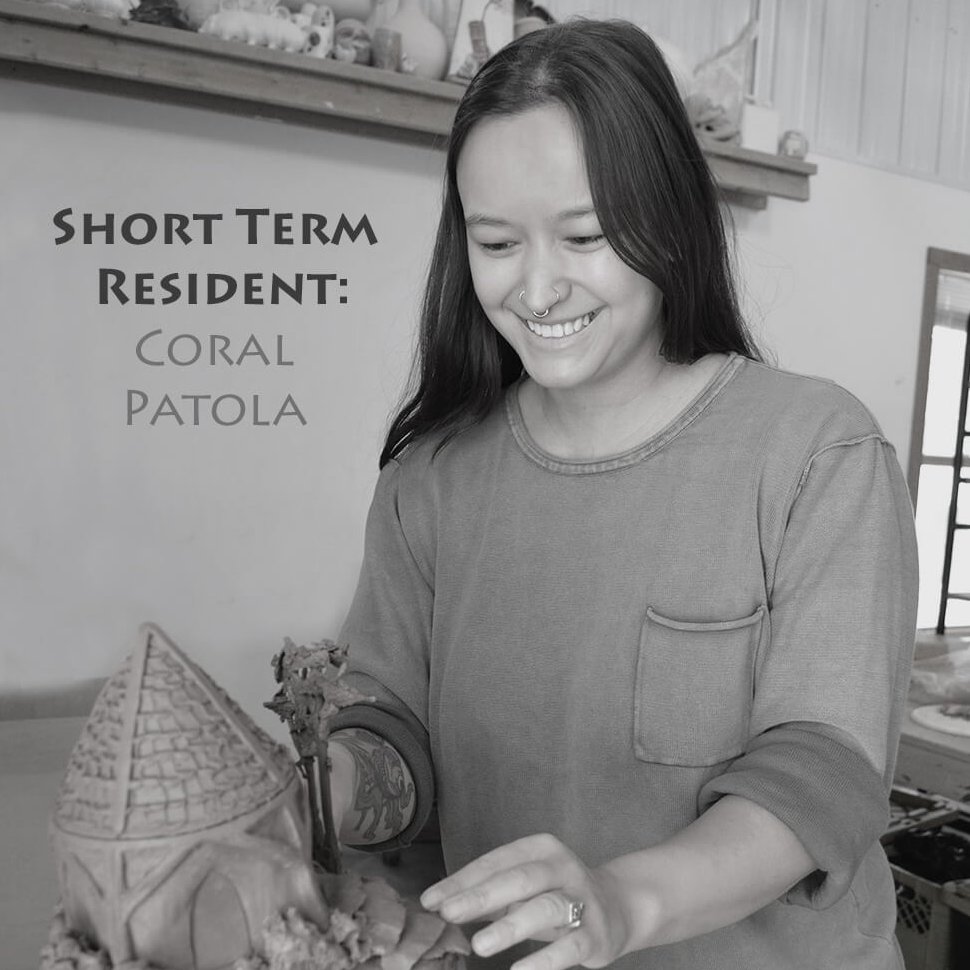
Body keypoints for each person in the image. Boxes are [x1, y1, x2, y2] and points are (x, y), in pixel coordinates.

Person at [323, 19, 918, 970]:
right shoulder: (427, 481)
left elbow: (824, 771)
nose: (538, 288)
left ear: (667, 219)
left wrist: (618, 903)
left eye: (585, 236)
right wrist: (322, 788)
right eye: (496, 242)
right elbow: (392, 729)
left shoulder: (816, 453)